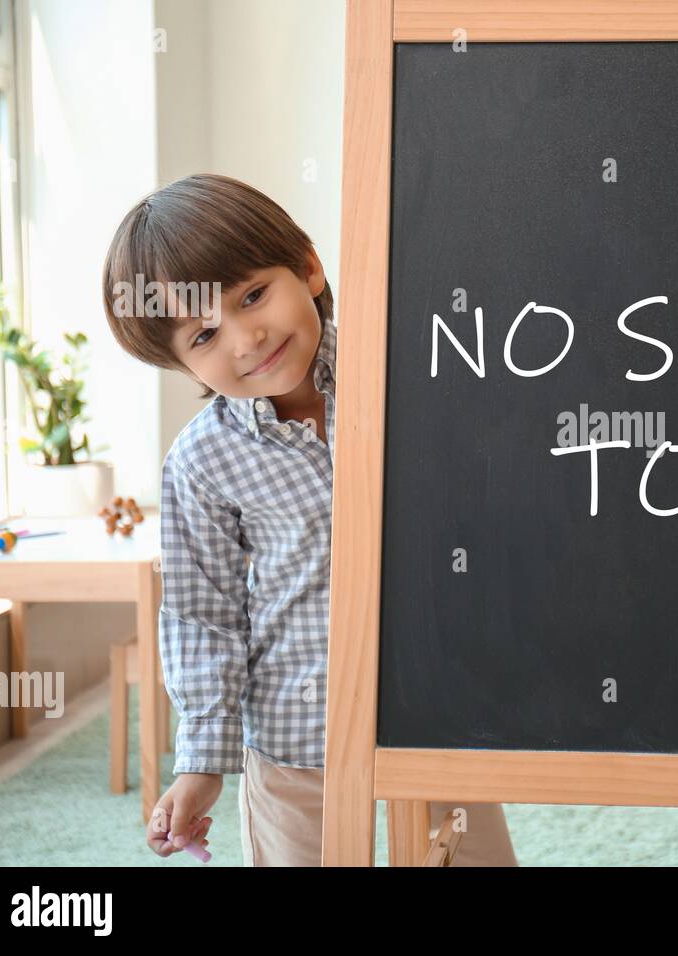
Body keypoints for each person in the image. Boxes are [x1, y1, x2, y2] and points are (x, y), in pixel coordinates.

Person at [101, 173, 518, 866]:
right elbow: (203, 615)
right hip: (298, 751)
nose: (246, 336)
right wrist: (201, 761)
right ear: (182, 364)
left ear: (309, 266)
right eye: (205, 333)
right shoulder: (202, 462)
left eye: (253, 295)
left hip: (438, 720)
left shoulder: (416, 374)